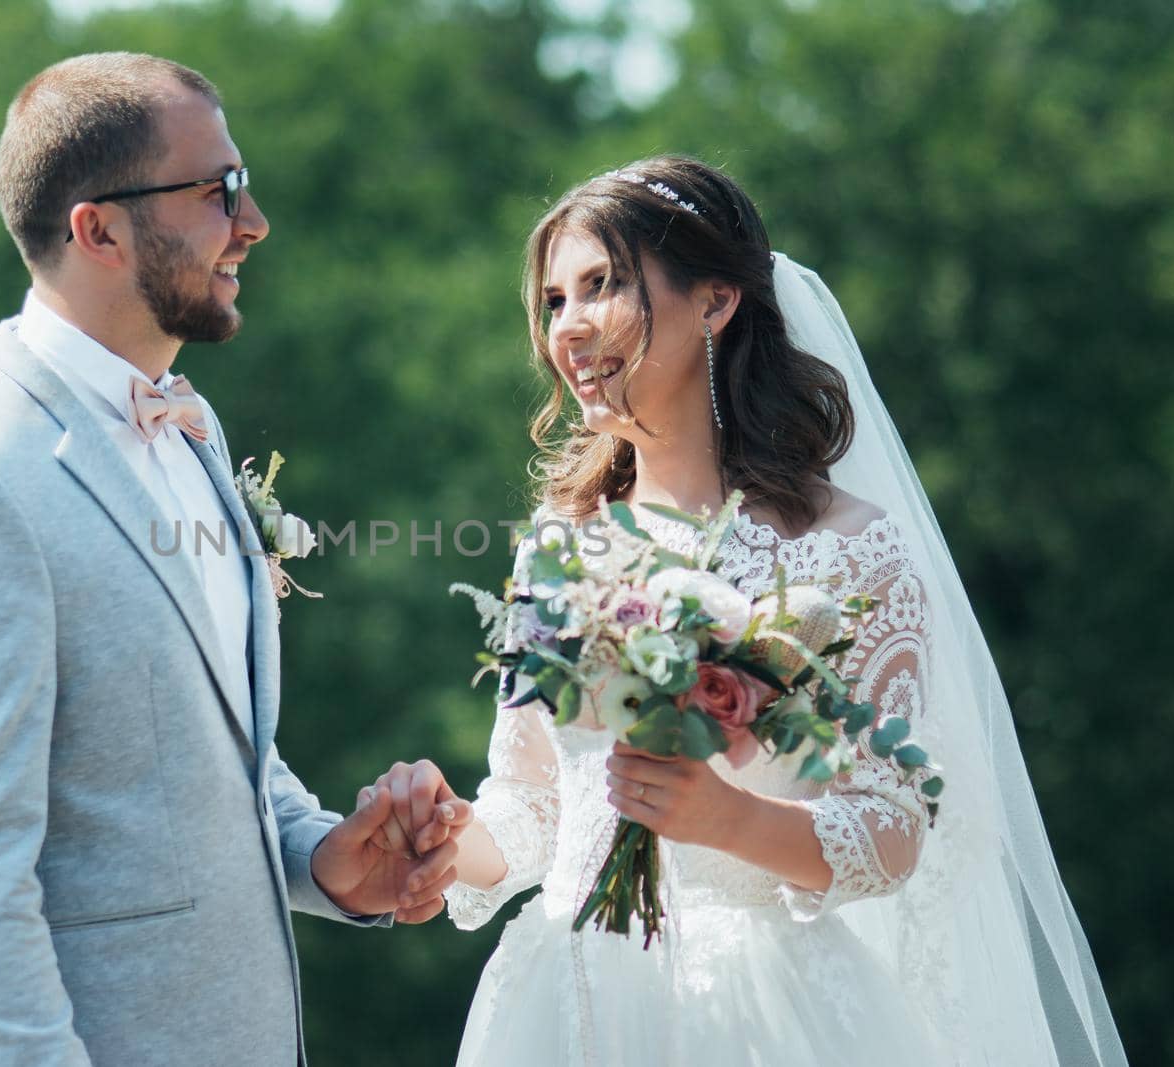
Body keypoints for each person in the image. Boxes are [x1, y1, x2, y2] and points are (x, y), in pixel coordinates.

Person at [367, 156, 1127, 1065]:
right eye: (553, 301)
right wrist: (451, 840)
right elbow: (534, 805)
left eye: (600, 285)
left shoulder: (844, 550)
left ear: (715, 301)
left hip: (762, 1017)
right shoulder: (559, 549)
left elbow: (892, 826)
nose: (567, 327)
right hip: (564, 1005)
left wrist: (727, 819)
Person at [0, 52, 467, 1067]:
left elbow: (209, 756)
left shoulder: (190, 429)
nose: (254, 220)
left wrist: (322, 856)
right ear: (97, 228)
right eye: (217, 190)